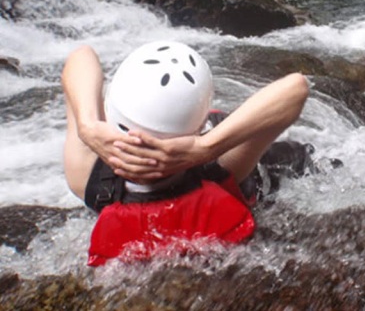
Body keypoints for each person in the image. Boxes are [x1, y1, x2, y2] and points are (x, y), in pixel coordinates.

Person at [62, 41, 309, 266]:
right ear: (199, 130)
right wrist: (206, 148)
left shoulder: (86, 174)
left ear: (109, 116)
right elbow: (296, 88)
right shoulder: (221, 164)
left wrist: (87, 124)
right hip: (272, 162)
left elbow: (81, 55)